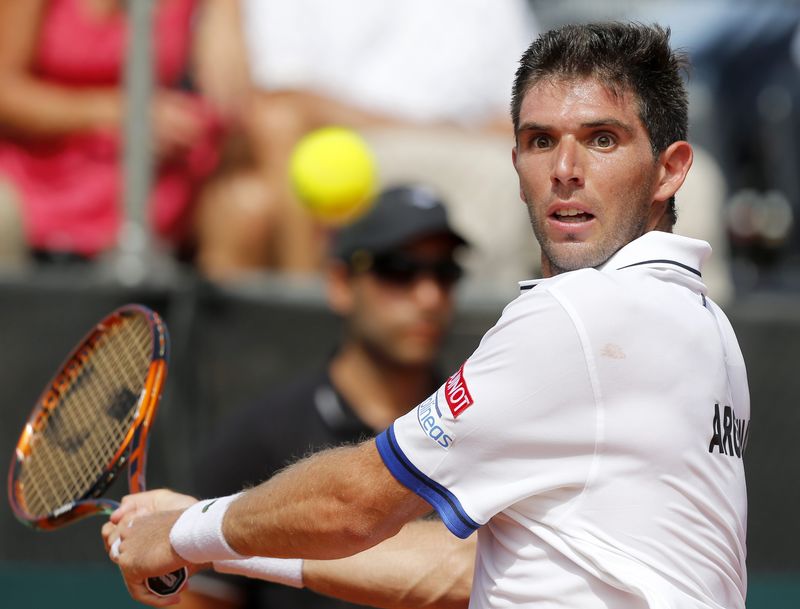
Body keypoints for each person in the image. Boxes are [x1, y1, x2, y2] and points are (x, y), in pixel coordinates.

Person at [104, 22, 751, 609]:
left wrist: (183, 532)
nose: (564, 170)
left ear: (670, 171)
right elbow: (457, 566)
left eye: (602, 139)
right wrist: (208, 533)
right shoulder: (708, 331)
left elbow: (356, 501)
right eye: (539, 140)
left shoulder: (579, 318)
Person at [180, 183, 469, 608]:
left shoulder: (484, 429)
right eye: (398, 270)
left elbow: (472, 568)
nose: (428, 296)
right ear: (339, 282)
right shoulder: (255, 440)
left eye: (445, 273)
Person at [193, 0, 539, 284]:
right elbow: (282, 100)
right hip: (345, 145)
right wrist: (429, 129)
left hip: (468, 148)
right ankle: (303, 313)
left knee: (507, 171)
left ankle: (486, 343)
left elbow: (523, 106)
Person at [0, 0, 249, 266]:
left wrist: (223, 10)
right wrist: (120, 113)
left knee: (244, 206)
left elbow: (230, 108)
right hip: (39, 185)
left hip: (153, 192)